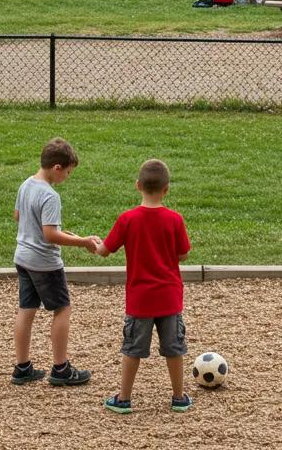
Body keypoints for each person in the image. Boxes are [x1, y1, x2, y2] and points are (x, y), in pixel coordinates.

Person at [98, 159, 193, 415]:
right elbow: (183, 254)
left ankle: (124, 398)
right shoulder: (175, 219)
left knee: (133, 350)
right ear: (166, 189)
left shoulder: (127, 219)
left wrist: (92, 244)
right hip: (169, 298)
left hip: (140, 299)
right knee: (174, 349)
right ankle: (178, 397)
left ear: (137, 185)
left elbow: (105, 250)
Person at [12, 138, 97, 387]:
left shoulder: (26, 184)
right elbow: (49, 235)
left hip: (23, 257)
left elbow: (19, 217)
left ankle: (22, 367)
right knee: (62, 309)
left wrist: (69, 235)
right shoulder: (50, 196)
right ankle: (61, 368)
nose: (68, 177)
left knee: (26, 309)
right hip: (44, 263)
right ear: (57, 167)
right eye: (68, 172)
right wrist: (82, 242)